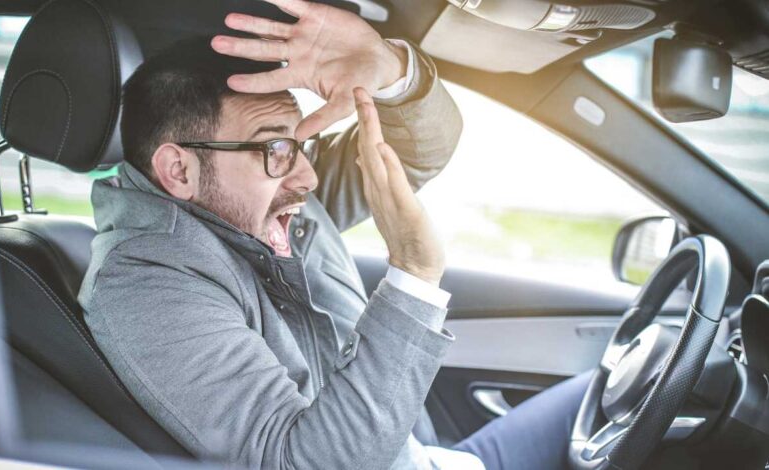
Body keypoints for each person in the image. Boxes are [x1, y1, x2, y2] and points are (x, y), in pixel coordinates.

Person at [79, 0, 589, 468]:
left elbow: (422, 149)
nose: (308, 177)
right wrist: (413, 273)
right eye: (276, 150)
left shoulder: (261, 198)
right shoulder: (145, 282)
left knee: (617, 387)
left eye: (304, 144)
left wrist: (390, 71)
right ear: (179, 170)